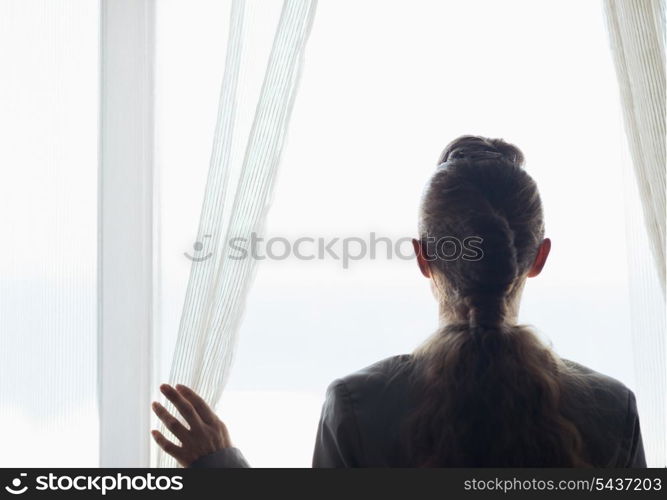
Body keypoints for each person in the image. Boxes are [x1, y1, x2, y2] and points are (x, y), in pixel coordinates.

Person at [151, 135, 646, 468]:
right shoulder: (611, 410)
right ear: (538, 257)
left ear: (423, 257)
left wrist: (219, 469)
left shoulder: (357, 408)